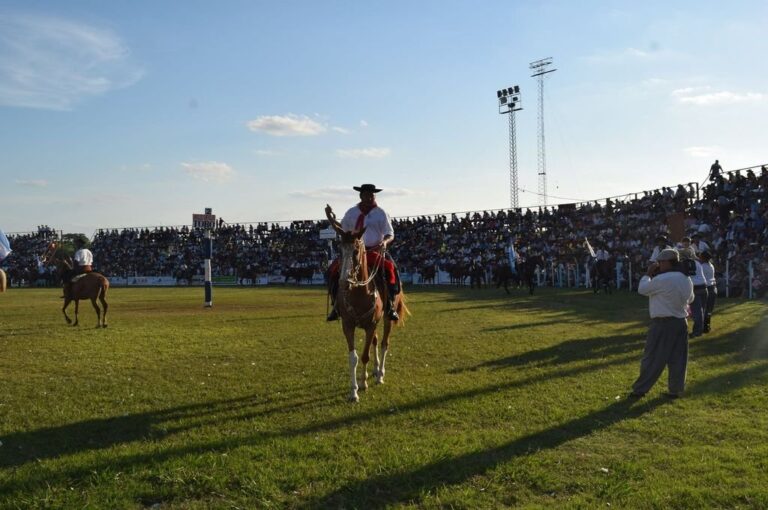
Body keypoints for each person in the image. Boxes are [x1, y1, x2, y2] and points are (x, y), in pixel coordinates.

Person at [325, 184, 399, 321]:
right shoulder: (352, 212)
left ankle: (390, 305)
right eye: (366, 195)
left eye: (372, 195)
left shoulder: (381, 213)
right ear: (361, 196)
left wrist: (384, 242)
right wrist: (331, 217)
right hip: (354, 251)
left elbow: (390, 233)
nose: (369, 197)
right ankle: (335, 305)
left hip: (374, 251)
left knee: (391, 269)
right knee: (332, 271)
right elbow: (343, 228)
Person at [630, 248, 694, 399]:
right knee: (678, 359)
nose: (658, 264)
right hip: (680, 322)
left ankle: (640, 389)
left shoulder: (662, 279)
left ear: (667, 262)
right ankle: (675, 390)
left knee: (652, 358)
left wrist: (648, 274)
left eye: (660, 262)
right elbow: (690, 299)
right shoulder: (686, 278)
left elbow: (642, 289)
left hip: (663, 323)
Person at [700, 251, 717, 333]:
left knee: (704, 308)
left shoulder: (702, 266)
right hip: (713, 287)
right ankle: (707, 325)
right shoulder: (711, 265)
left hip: (707, 287)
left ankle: (704, 326)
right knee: (709, 308)